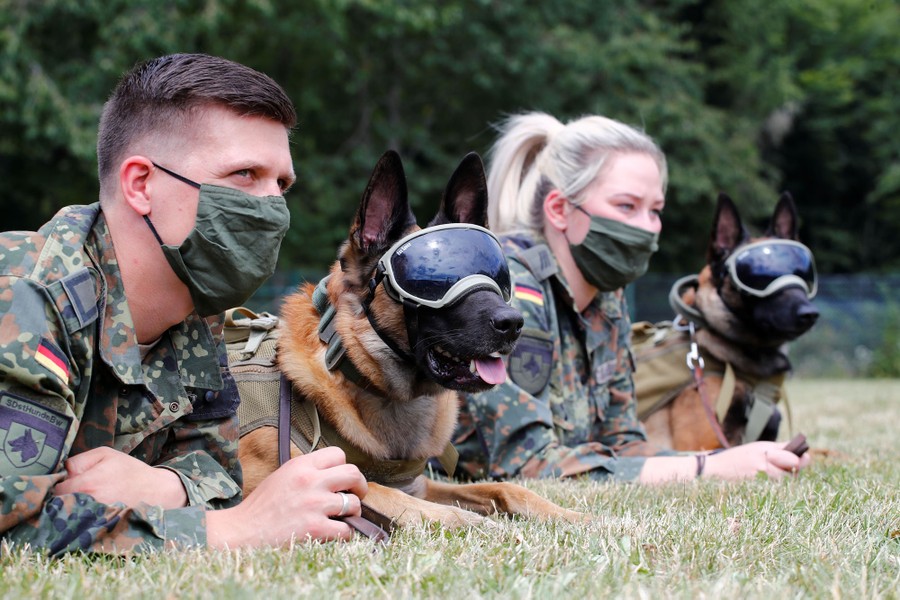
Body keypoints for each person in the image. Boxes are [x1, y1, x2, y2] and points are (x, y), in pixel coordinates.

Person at [0, 54, 367, 555]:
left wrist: (160, 488)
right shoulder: (24, 296)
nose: (272, 208)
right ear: (141, 184)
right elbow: (13, 522)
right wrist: (236, 532)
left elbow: (217, 468)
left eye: (280, 184)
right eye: (244, 174)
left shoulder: (197, 313)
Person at [452, 112, 811, 483]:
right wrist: (708, 468)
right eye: (627, 206)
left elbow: (622, 444)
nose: (648, 228)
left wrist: (737, 459)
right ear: (560, 210)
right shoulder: (508, 291)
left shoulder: (606, 298)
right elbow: (527, 466)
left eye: (655, 210)